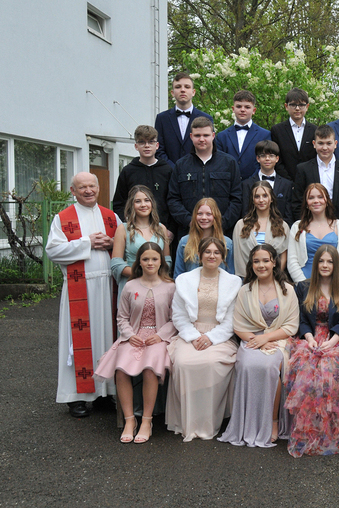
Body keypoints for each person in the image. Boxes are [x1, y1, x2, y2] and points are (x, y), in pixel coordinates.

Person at [45, 172, 120, 418]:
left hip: (108, 287)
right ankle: (76, 397)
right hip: (80, 288)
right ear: (73, 191)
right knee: (77, 343)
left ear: (98, 188)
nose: (88, 191)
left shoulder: (111, 216)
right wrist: (86, 242)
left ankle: (104, 393)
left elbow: (124, 244)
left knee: (107, 338)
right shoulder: (63, 218)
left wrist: (112, 244)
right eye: (82, 187)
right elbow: (53, 251)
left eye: (92, 186)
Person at [218, 244, 300, 448]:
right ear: (251, 264)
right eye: (256, 261)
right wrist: (256, 340)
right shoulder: (244, 291)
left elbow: (291, 325)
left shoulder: (287, 289)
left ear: (274, 263)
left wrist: (267, 338)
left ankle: (273, 421)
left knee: (269, 367)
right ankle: (248, 424)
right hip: (251, 340)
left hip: (279, 340)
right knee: (247, 365)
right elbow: (238, 325)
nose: (261, 265)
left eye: (265, 260)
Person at [94, 243, 176, 443]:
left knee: (149, 369)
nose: (150, 263)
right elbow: (122, 317)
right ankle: (130, 420)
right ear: (139, 262)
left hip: (158, 338)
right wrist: (130, 335)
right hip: (134, 337)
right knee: (121, 370)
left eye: (154, 259)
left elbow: (175, 319)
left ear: (161, 262)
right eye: (145, 259)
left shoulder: (170, 287)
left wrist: (161, 335)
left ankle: (147, 421)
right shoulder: (130, 286)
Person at [286, 245, 339, 457]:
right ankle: (309, 431)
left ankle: (334, 431)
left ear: (336, 265)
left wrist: (333, 340)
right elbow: (301, 318)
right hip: (310, 337)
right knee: (307, 369)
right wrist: (309, 338)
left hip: (337, 338)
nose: (325, 265)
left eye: (330, 261)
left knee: (332, 369)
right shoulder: (304, 287)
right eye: (321, 261)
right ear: (315, 263)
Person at [167, 237, 241, 441]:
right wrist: (193, 336)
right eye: (207, 252)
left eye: (217, 252)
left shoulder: (234, 283)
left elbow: (231, 319)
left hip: (219, 336)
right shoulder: (184, 280)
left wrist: (210, 337)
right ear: (199, 255)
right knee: (183, 363)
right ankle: (188, 422)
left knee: (212, 363)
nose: (212, 256)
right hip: (190, 333)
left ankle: (208, 422)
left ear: (223, 257)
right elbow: (178, 315)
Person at [167, 117, 243, 239]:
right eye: (197, 135)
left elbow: (237, 199)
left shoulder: (229, 163)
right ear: (191, 136)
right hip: (189, 233)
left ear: (213, 136)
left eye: (206, 135)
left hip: (222, 233)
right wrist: (190, 222)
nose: (202, 139)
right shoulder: (181, 165)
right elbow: (173, 199)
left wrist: (221, 223)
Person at [292, 125, 339, 227]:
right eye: (321, 143)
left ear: (335, 144)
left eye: (329, 143)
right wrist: (306, 224)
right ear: (314, 144)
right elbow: (297, 201)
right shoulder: (303, 169)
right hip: (310, 225)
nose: (325, 148)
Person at [111, 185, 170, 297]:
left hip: (157, 286)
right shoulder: (123, 229)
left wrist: (155, 274)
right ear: (131, 205)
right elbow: (116, 263)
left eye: (147, 200)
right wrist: (142, 274)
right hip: (132, 285)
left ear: (152, 203)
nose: (143, 205)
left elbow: (167, 260)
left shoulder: (161, 228)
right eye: (138, 201)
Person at [112, 125, 172, 231]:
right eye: (142, 142)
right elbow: (119, 203)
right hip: (134, 230)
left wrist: (171, 229)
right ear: (136, 146)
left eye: (151, 142)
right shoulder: (128, 171)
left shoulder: (167, 170)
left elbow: (173, 201)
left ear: (157, 145)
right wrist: (128, 224)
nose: (147, 146)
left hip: (163, 229)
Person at [287, 183, 339, 283]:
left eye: (320, 197)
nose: (316, 201)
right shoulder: (297, 227)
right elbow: (292, 261)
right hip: (305, 282)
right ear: (306, 203)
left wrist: (336, 284)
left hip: (333, 284)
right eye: (311, 198)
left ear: (327, 201)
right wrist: (303, 285)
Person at [154, 72, 213, 168]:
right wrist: (175, 170)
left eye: (187, 87)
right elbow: (158, 149)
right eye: (178, 87)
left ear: (193, 92)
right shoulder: (162, 118)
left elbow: (209, 148)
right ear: (172, 93)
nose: (182, 90)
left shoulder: (207, 118)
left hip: (197, 172)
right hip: (169, 173)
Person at [233, 182, 290, 276]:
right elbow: (237, 257)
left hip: (274, 278)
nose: (261, 200)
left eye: (265, 196)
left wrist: (274, 277)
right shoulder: (241, 225)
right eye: (257, 196)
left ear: (271, 198)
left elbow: (284, 256)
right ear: (252, 200)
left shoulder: (283, 226)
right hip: (246, 278)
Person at [215, 90, 272, 180]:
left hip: (256, 184)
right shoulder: (222, 136)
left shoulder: (264, 135)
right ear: (233, 109)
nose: (242, 110)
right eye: (239, 106)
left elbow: (265, 162)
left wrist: (251, 182)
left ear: (254, 110)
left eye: (247, 107)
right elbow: (219, 162)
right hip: (228, 183)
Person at [174, 198, 235, 277]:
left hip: (219, 284)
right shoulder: (184, 242)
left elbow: (230, 274)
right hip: (191, 284)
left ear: (215, 216)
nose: (203, 217)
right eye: (199, 213)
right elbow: (178, 275)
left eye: (208, 214)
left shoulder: (227, 243)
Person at [240, 140, 293, 223]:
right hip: (254, 227)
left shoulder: (287, 185)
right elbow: (246, 212)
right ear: (258, 158)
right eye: (263, 156)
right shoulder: (247, 184)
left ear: (277, 159)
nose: (267, 159)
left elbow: (288, 215)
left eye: (271, 156)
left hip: (280, 228)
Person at [272, 87, 318, 181]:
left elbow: (316, 158)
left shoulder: (315, 130)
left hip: (310, 182)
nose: (297, 108)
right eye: (293, 105)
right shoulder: (277, 130)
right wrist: (287, 182)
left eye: (301, 105)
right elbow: (277, 159)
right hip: (284, 182)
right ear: (286, 106)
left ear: (307, 106)